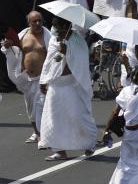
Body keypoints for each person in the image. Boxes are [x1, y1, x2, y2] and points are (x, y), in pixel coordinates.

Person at [38, 16, 97, 160]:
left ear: (65, 26)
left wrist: (67, 52)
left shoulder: (78, 41)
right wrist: (43, 80)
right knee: (54, 117)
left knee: (78, 116)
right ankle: (59, 150)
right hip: (56, 84)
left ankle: (89, 143)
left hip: (73, 85)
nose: (54, 29)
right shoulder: (53, 39)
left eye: (56, 26)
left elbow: (80, 64)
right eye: (53, 25)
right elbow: (49, 62)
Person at [1, 11, 51, 143]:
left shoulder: (48, 37)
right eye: (34, 21)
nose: (38, 23)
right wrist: (8, 46)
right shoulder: (22, 36)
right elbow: (14, 50)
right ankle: (36, 133)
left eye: (40, 20)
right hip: (26, 78)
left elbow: (53, 56)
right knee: (31, 109)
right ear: (29, 22)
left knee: (41, 106)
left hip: (42, 79)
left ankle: (43, 135)